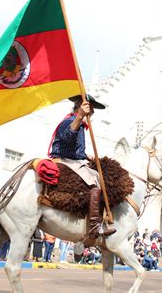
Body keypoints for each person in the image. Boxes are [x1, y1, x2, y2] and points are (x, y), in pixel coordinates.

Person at [49, 95, 116, 239]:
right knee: (95, 178)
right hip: (64, 161)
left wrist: (86, 156)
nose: (90, 116)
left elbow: (73, 148)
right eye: (89, 112)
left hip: (74, 160)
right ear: (81, 107)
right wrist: (80, 116)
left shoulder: (79, 124)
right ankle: (94, 226)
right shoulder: (71, 120)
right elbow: (67, 136)